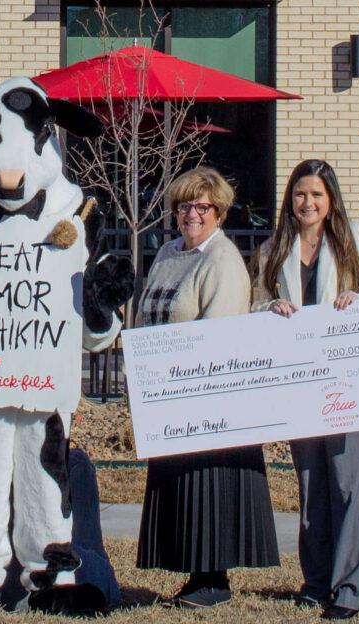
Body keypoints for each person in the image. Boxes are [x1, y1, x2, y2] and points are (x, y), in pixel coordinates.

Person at [254, 159, 359, 619]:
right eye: (299, 194)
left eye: (315, 194)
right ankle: (315, 582)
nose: (307, 202)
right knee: (311, 481)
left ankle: (352, 588)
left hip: (347, 380)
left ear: (330, 198)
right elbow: (256, 302)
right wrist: (270, 306)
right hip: (301, 381)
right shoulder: (275, 247)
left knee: (347, 482)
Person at [131, 165, 279, 609]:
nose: (191, 214)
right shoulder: (168, 254)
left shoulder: (223, 259)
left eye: (202, 206)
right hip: (166, 395)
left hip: (207, 400)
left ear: (220, 211)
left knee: (208, 487)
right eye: (184, 206)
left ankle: (213, 579)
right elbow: (143, 314)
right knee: (181, 487)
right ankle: (194, 575)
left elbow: (221, 335)